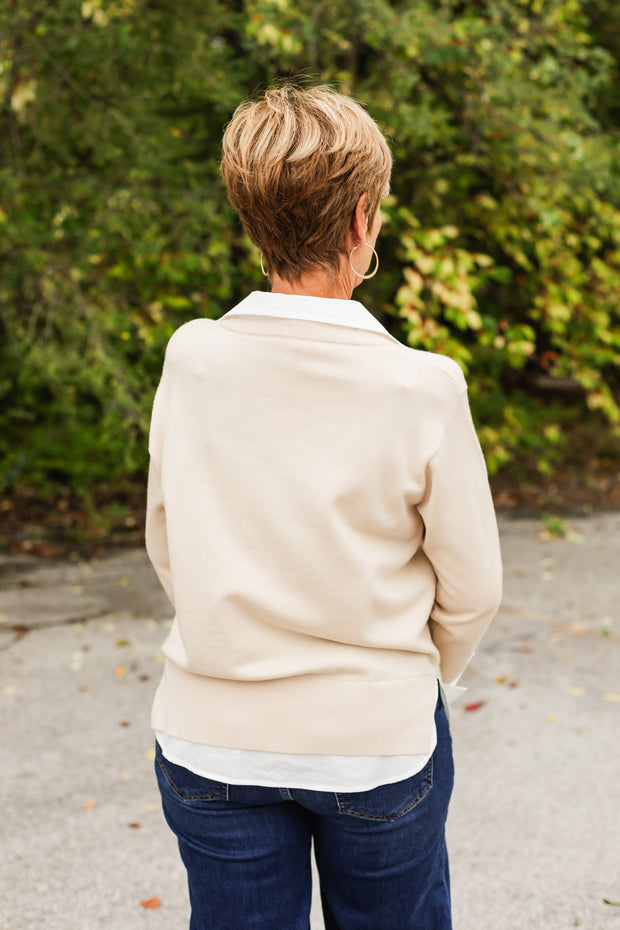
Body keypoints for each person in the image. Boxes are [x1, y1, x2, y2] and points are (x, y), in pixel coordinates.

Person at [146, 84, 502, 930]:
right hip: (375, 740)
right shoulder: (424, 385)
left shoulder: (192, 357)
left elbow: (169, 540)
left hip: (212, 734)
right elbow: (475, 586)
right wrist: (412, 674)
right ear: (361, 221)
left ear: (249, 215)